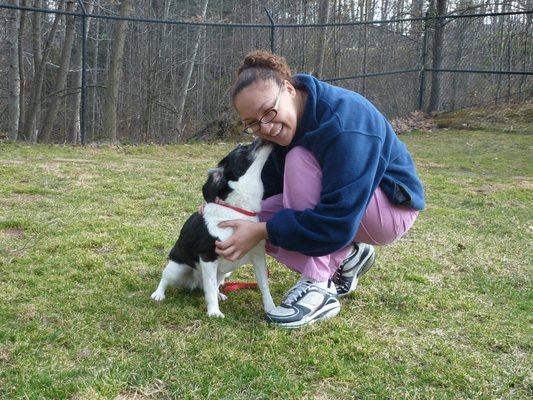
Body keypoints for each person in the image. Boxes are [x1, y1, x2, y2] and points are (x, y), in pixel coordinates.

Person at [214, 50, 425, 329]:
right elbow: (268, 184)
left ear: (289, 89)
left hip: (388, 209)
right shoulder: (289, 120)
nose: (265, 127)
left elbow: (336, 220)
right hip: (348, 211)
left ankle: (320, 286)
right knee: (244, 219)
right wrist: (221, 206)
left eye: (269, 111)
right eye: (252, 123)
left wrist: (264, 230)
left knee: (299, 160)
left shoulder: (344, 121)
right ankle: (349, 257)